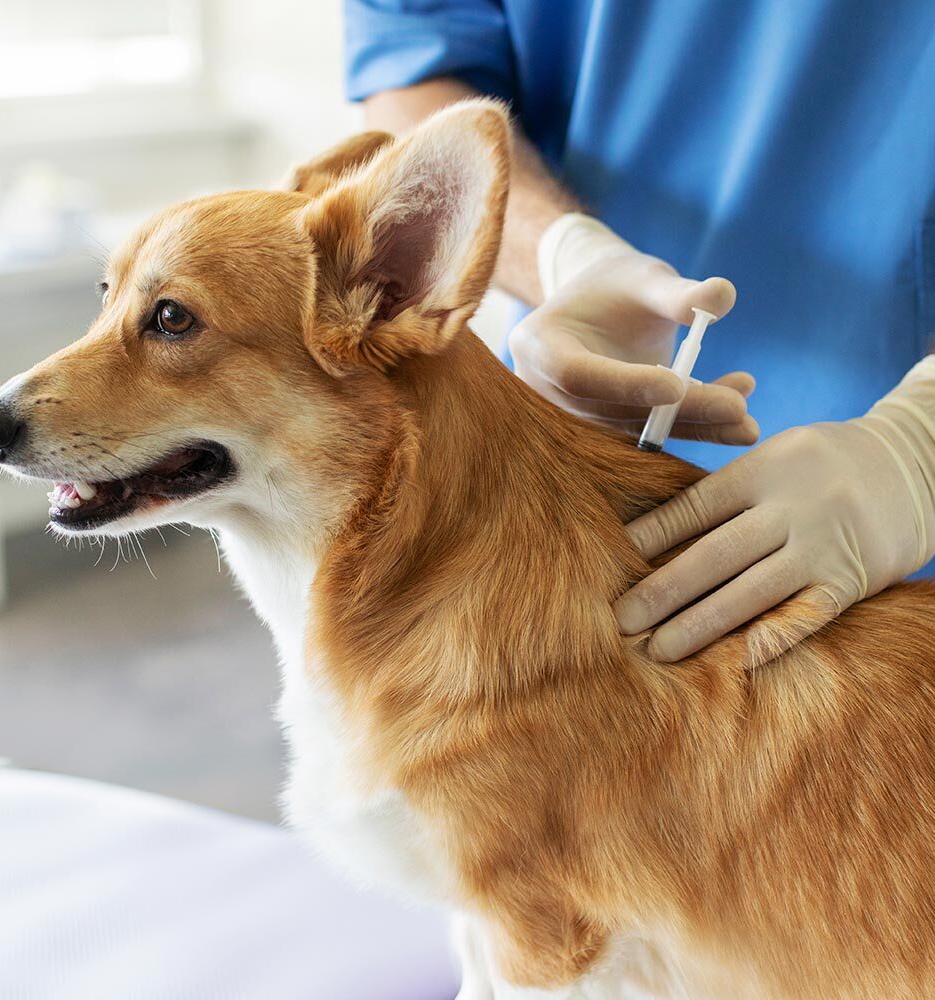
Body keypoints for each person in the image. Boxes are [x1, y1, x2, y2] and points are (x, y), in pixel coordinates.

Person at [344, 0, 935, 666]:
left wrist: (916, 450)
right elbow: (416, 78)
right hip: (579, 471)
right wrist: (564, 255)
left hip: (896, 539)